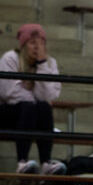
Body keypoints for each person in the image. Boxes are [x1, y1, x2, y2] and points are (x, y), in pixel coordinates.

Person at [0, 24, 64, 175]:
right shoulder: (10, 58)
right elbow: (9, 93)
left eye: (41, 43)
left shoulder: (50, 63)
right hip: (8, 113)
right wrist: (33, 100)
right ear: (24, 45)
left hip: (32, 115)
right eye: (33, 42)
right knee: (30, 107)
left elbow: (48, 96)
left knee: (44, 107)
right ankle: (22, 162)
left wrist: (41, 65)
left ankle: (46, 163)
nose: (37, 47)